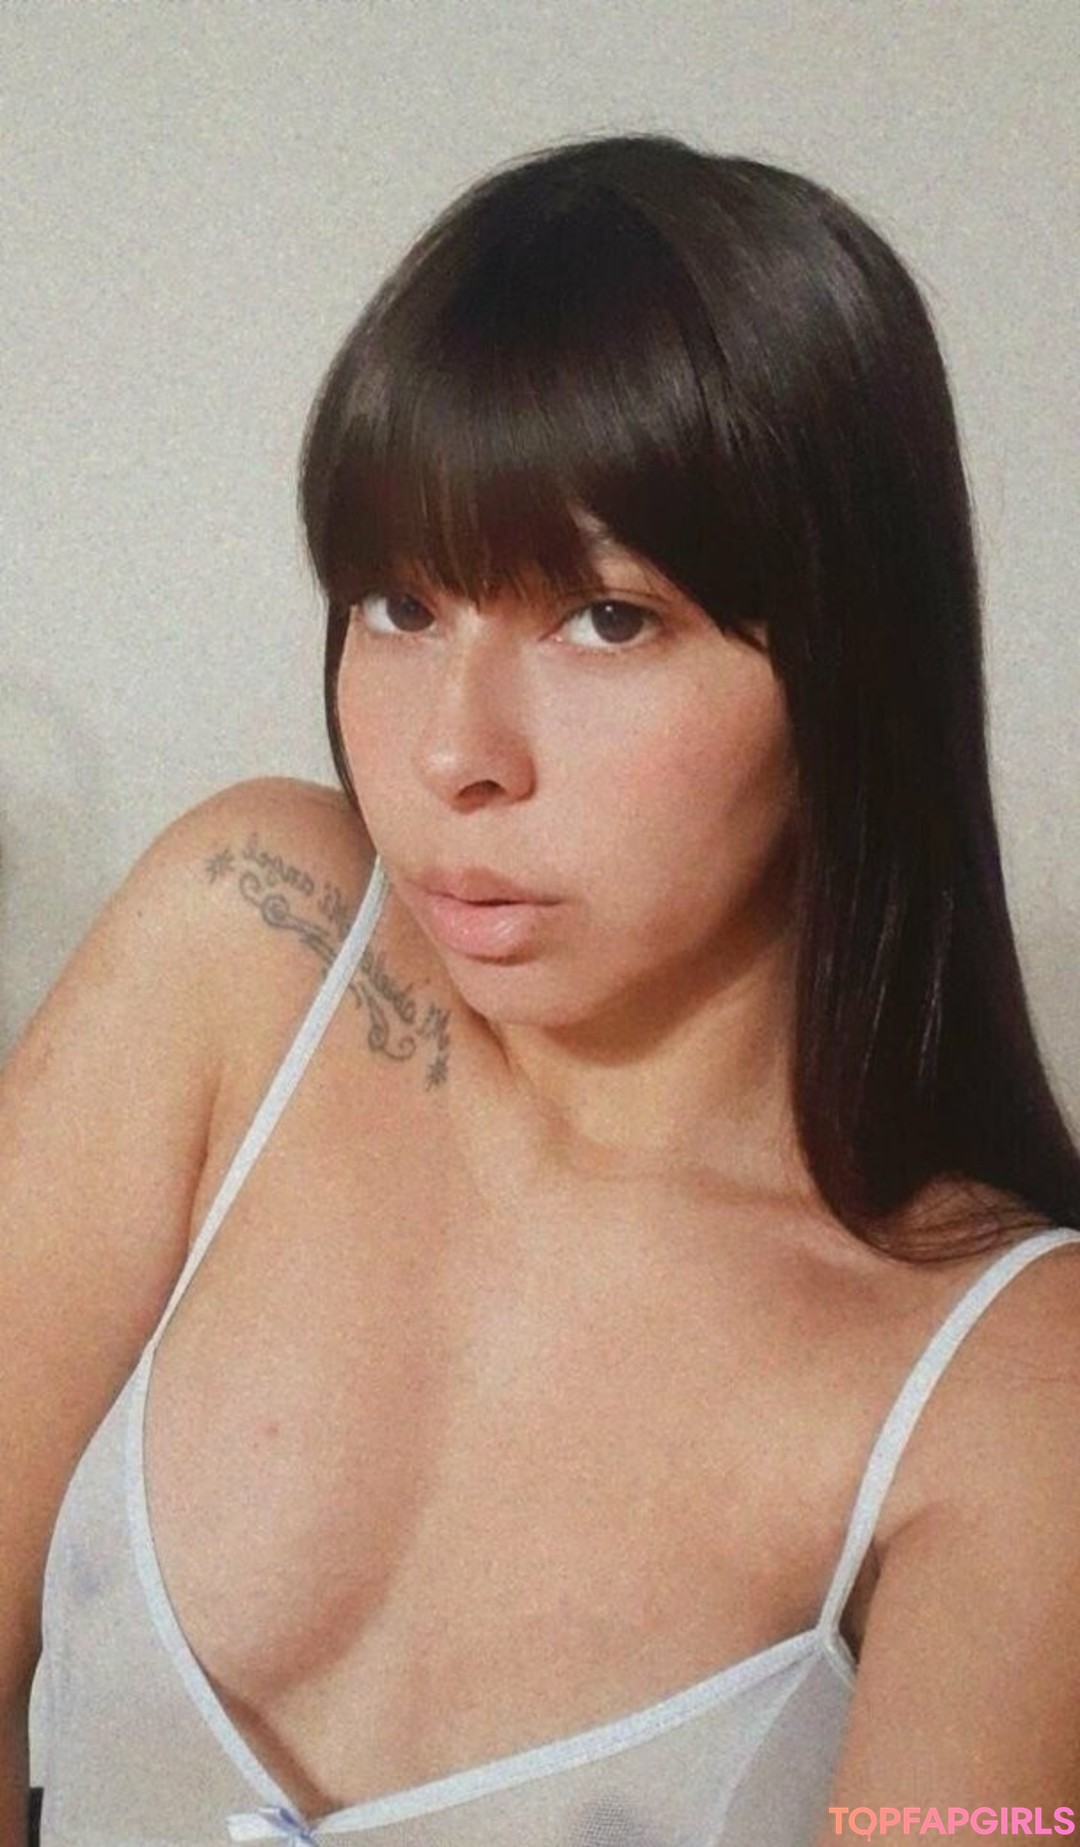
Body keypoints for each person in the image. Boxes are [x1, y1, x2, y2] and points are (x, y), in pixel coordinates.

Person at [2, 131, 1079, 1847]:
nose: (455, 752)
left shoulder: (1007, 1387)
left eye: (607, 620)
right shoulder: (252, 942)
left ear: (848, 662)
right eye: (398, 602)